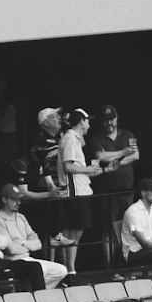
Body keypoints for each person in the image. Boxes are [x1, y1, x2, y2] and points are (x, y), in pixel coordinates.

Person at [0, 187, 68, 286]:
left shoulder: (21, 217)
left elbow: (38, 244)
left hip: (28, 258)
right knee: (39, 270)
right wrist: (28, 245)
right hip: (13, 262)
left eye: (19, 200)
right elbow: (11, 249)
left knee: (61, 270)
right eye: (14, 199)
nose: (18, 203)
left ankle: (35, 293)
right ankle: (35, 294)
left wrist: (22, 243)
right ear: (4, 200)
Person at [56, 108, 101, 272]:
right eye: (88, 121)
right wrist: (88, 169)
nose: (89, 125)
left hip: (82, 189)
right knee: (72, 231)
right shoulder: (69, 138)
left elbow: (80, 168)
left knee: (75, 231)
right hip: (74, 191)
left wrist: (102, 170)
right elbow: (68, 166)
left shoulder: (75, 139)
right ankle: (70, 270)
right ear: (82, 121)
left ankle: (68, 269)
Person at [88, 105, 139, 228]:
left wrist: (116, 162)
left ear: (117, 118)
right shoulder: (96, 138)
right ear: (101, 121)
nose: (109, 122)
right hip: (106, 190)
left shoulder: (127, 134)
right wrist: (123, 152)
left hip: (126, 189)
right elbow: (100, 156)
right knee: (107, 228)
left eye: (111, 119)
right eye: (106, 120)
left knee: (128, 226)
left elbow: (136, 156)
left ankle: (125, 248)